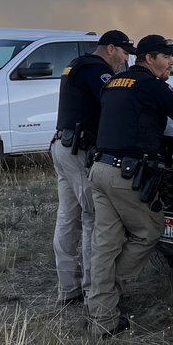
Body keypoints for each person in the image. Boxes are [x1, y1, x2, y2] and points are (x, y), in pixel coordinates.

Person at [87, 35, 173, 337]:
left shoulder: (115, 83)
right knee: (149, 231)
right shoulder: (152, 86)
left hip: (100, 170)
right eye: (166, 57)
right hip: (126, 175)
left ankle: (101, 316)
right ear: (149, 58)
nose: (171, 63)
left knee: (105, 245)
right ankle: (108, 294)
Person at [51, 30, 136, 308]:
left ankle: (68, 288)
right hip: (79, 150)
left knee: (67, 217)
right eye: (124, 53)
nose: (125, 61)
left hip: (63, 145)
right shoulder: (95, 70)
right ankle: (91, 291)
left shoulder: (77, 64)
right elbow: (115, 102)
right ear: (111, 48)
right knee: (92, 218)